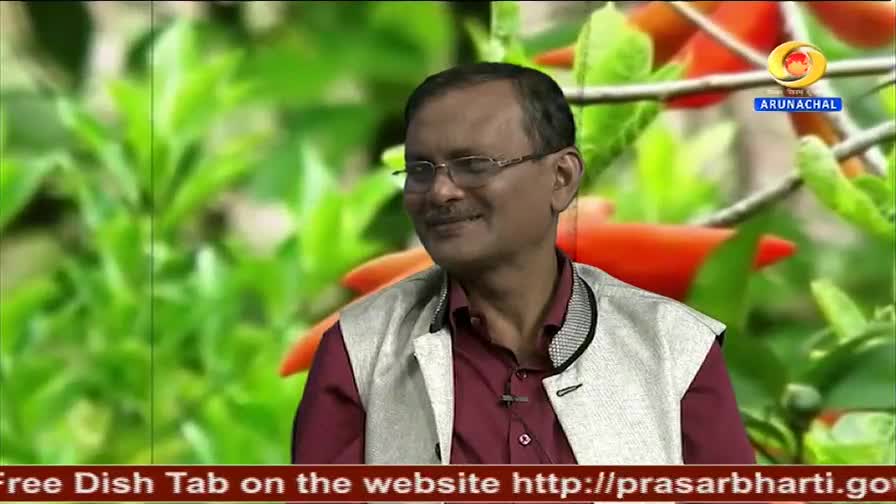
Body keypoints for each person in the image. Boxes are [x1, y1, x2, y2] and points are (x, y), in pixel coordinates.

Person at [291, 62, 755, 466]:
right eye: (419, 170)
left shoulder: (676, 347)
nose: (440, 192)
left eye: (474, 164)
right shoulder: (359, 352)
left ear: (562, 177)